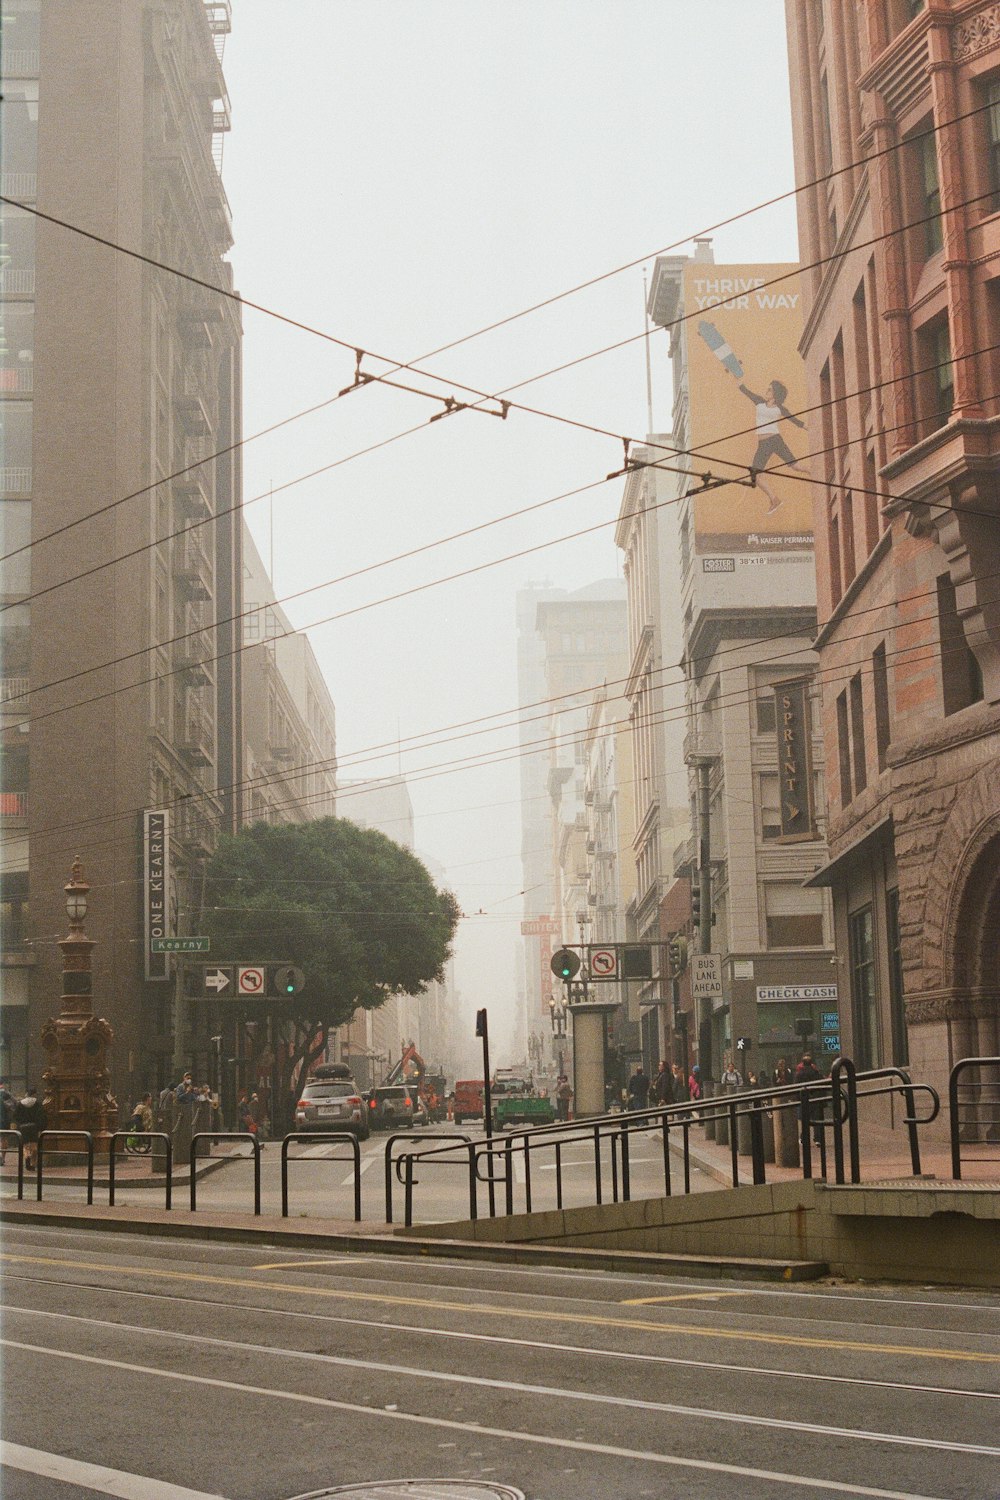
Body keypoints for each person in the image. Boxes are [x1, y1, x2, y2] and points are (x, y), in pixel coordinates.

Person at [14, 1085, 47, 1171]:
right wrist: (41, 1127)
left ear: (27, 1093)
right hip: (34, 1127)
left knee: (25, 1146)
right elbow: (42, 1116)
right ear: (34, 1094)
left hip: (23, 1127)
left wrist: (19, 1124)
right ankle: (33, 1164)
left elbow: (15, 1116)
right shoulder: (38, 1104)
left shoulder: (20, 1104)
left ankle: (27, 1157)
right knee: (34, 1146)